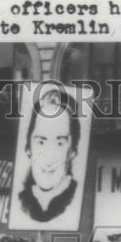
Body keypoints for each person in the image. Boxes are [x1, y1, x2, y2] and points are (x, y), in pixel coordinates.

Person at [15, 87, 83, 226]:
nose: (49, 158)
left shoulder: (77, 201)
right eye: (40, 142)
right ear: (28, 149)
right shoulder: (20, 201)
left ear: (72, 151)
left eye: (59, 143)